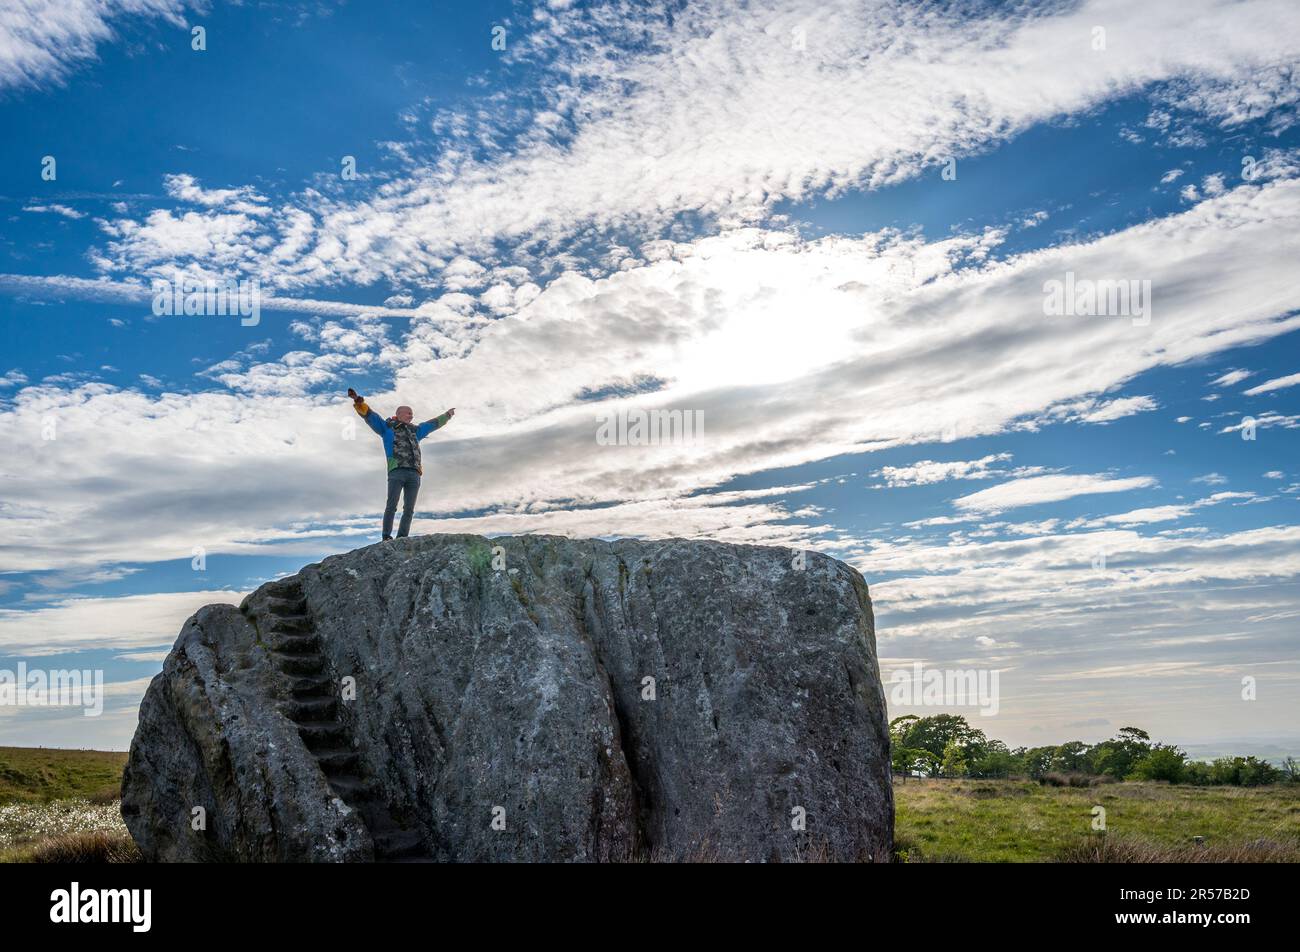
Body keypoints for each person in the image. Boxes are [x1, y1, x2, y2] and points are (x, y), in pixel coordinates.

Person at [348, 388, 455, 540]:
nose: (412, 416)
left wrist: (447, 415)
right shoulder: (386, 428)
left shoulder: (416, 431)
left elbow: (432, 424)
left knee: (409, 509)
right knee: (391, 505)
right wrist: (358, 401)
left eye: (412, 413)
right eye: (409, 413)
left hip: (414, 474)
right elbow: (370, 416)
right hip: (396, 471)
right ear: (399, 414)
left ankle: (402, 538)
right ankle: (386, 536)